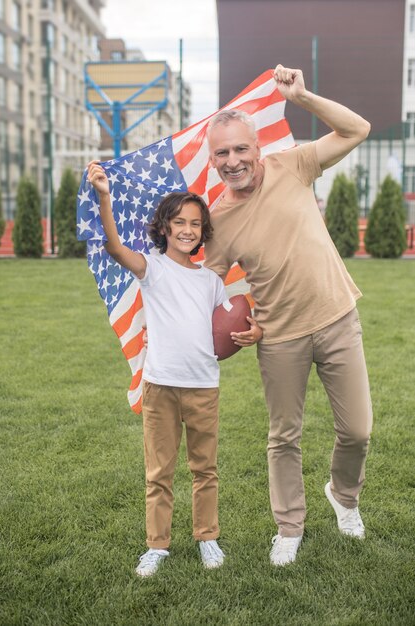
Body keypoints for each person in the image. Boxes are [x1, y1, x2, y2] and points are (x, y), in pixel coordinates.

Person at [204, 64, 373, 566]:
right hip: (278, 337)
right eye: (222, 153)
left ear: (257, 148)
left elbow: (357, 129)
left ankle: (343, 496)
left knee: (358, 431)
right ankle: (289, 526)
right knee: (284, 436)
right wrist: (239, 323)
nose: (233, 161)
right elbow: (205, 286)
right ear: (213, 160)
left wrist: (302, 97)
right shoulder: (219, 220)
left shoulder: (294, 165)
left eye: (240, 149)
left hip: (338, 317)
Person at [87, 162, 262, 577]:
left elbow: (232, 326)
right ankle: (157, 545)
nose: (188, 229)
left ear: (204, 233)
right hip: (161, 386)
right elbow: (114, 247)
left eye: (196, 224)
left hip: (203, 386)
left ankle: (207, 537)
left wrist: (254, 334)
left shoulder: (210, 281)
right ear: (163, 227)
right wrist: (105, 197)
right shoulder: (152, 267)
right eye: (179, 222)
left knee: (205, 469)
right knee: (159, 472)